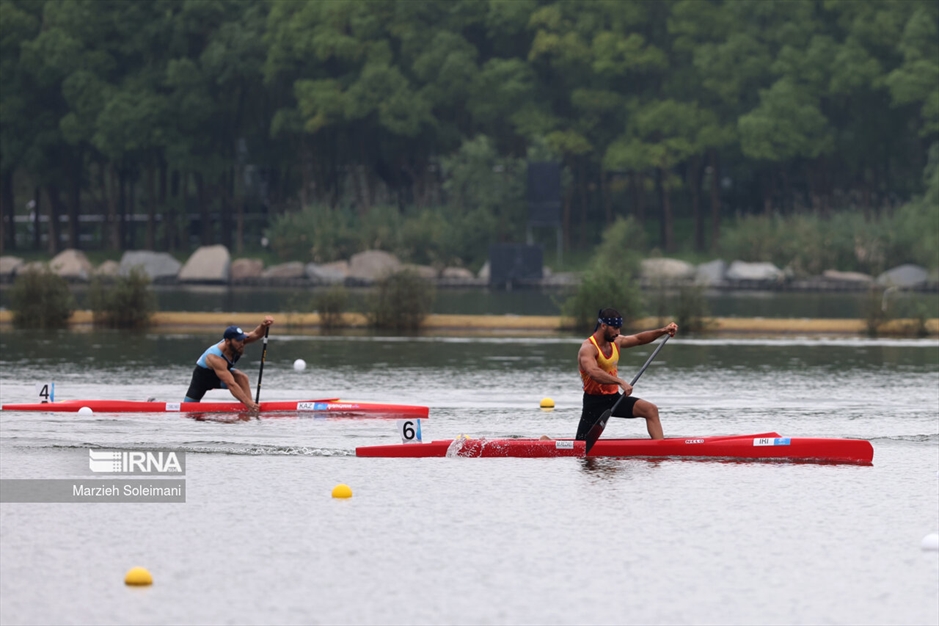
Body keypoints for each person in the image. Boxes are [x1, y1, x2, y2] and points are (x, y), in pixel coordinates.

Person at [576, 308, 677, 440]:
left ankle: (660, 448)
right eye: (615, 328)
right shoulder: (588, 348)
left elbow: (639, 339)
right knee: (581, 444)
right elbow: (593, 372)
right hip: (594, 403)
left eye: (619, 328)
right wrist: (620, 381)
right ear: (603, 326)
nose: (618, 332)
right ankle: (552, 443)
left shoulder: (616, 341)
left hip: (614, 399)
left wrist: (663, 331)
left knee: (650, 410)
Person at [184, 317, 274, 410]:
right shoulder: (215, 357)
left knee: (241, 377)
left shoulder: (240, 341)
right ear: (227, 341)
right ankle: (249, 404)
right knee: (188, 411)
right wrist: (246, 402)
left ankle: (250, 409)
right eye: (238, 340)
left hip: (220, 376)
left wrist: (263, 326)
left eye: (242, 339)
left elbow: (256, 334)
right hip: (202, 380)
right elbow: (231, 384)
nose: (242, 343)